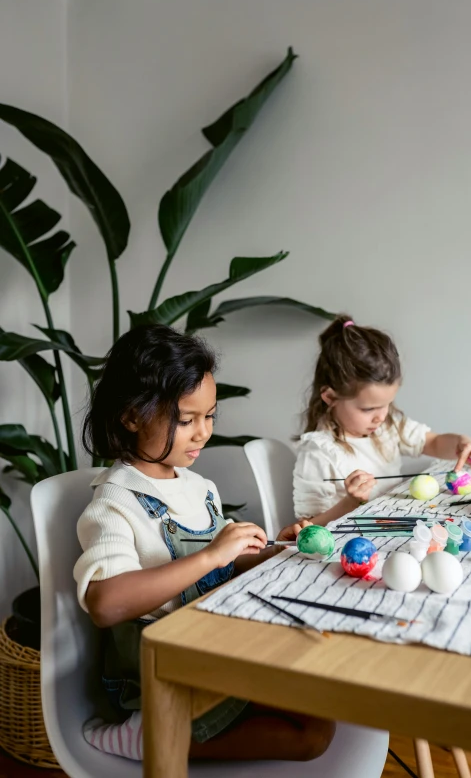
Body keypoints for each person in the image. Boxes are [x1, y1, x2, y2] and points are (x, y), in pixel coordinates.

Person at [73, 324, 334, 762]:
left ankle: (167, 736)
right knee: (310, 737)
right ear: (131, 415)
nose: (202, 432)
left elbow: (223, 566)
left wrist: (270, 548)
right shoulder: (114, 502)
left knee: (321, 717)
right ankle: (148, 736)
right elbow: (105, 603)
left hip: (213, 645)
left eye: (209, 416)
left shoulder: (200, 487)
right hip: (158, 674)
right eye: (185, 419)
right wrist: (215, 552)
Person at [290, 315, 471, 528]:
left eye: (386, 404)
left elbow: (432, 442)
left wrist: (461, 444)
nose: (380, 416)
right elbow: (307, 527)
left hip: (394, 532)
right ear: (330, 397)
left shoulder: (389, 427)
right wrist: (351, 501)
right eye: (368, 409)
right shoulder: (319, 452)